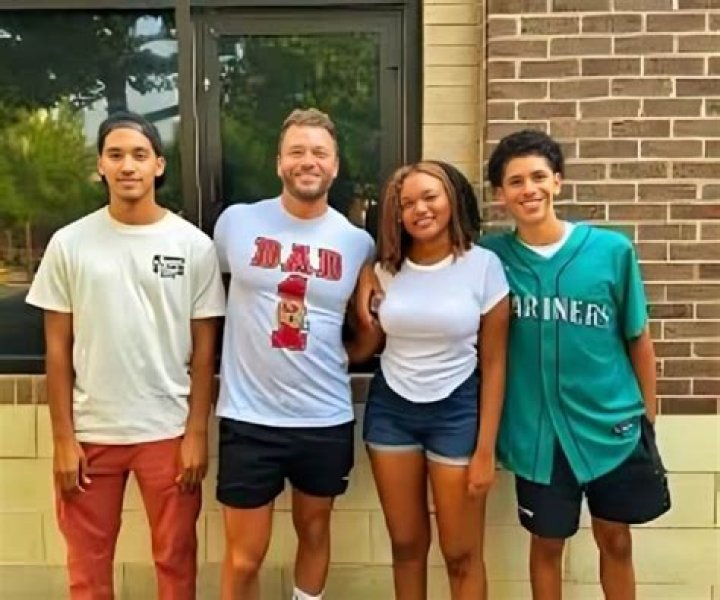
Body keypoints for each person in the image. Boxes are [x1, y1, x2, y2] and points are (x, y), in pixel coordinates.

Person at [26, 111, 225, 599]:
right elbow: (57, 350)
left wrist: (197, 433)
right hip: (91, 433)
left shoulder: (193, 246)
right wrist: (63, 440)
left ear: (159, 164)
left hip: (167, 432)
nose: (128, 166)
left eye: (139, 154)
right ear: (100, 165)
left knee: (176, 562)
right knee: (87, 570)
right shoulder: (69, 244)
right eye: (115, 155)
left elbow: (205, 353)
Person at [481, 129, 670, 599]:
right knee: (547, 544)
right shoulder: (490, 258)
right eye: (516, 181)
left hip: (612, 426)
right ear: (500, 194)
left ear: (557, 181)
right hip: (537, 434)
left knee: (616, 539)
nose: (529, 189)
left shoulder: (611, 250)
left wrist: (647, 416)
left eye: (538, 177)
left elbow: (638, 337)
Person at [213, 107, 375, 600]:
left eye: (319, 152)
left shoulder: (357, 243)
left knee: (316, 532)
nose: (308, 161)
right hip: (248, 416)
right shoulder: (237, 223)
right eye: (297, 151)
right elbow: (204, 303)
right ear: (279, 162)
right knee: (244, 557)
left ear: (335, 166)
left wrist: (348, 355)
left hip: (323, 416)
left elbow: (369, 325)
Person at [349, 160, 510, 600]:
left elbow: (495, 363)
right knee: (406, 546)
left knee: (461, 554)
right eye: (407, 204)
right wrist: (361, 284)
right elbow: (366, 346)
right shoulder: (385, 270)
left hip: (457, 412)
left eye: (429, 197)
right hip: (391, 412)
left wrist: (485, 450)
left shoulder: (484, 266)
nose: (419, 209)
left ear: (450, 198)